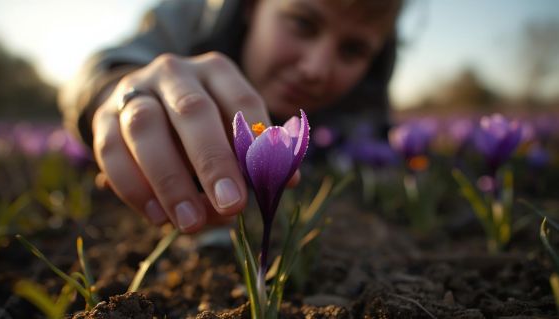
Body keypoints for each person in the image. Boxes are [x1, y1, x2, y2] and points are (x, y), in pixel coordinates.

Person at [59, 0, 402, 233]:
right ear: (252, 6)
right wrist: (118, 94)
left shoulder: (368, 89)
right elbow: (98, 72)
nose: (316, 69)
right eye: (302, 23)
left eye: (352, 50)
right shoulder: (195, 16)